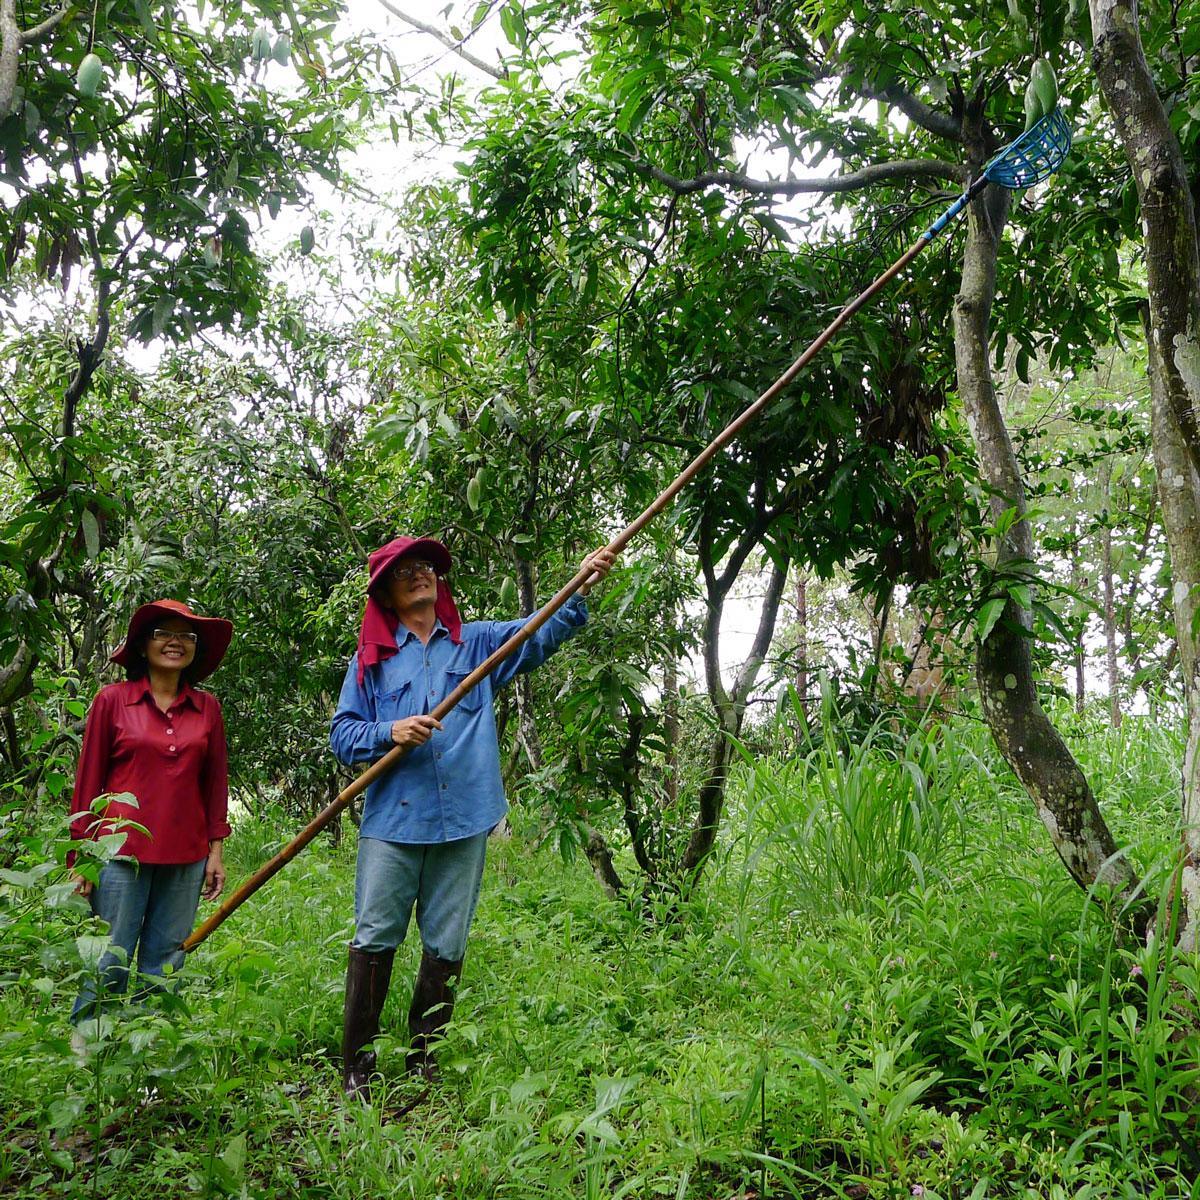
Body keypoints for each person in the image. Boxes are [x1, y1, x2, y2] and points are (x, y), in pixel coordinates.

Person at [330, 535, 615, 1100]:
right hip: (394, 823)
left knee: (446, 942)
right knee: (375, 938)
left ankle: (424, 1057)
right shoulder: (371, 663)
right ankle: (357, 1066)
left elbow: (542, 629)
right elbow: (343, 735)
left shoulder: (477, 643)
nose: (419, 575)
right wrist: (391, 731)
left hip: (464, 819)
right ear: (385, 591)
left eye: (426, 568)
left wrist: (580, 584)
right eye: (404, 570)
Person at [68, 600, 232, 1022]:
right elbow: (88, 783)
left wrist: (215, 852)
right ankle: (91, 1051)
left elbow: (214, 785)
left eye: (186, 636)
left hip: (186, 856)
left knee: (165, 964)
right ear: (143, 645)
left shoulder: (207, 708)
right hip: (119, 855)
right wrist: (81, 860)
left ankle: (149, 1060)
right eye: (164, 633)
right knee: (110, 956)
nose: (175, 642)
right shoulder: (112, 701)